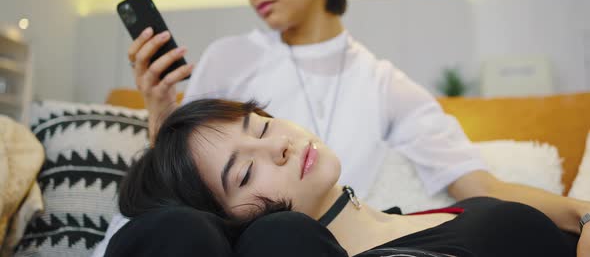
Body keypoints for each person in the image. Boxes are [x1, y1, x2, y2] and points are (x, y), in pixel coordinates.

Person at [95, 0, 590, 255]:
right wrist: (159, 114)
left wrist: (583, 215)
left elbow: (480, 187)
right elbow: (187, 182)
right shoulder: (231, 56)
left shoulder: (383, 83)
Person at [109, 99, 580, 257]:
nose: (280, 145)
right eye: (246, 171)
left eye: (264, 125)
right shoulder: (284, 243)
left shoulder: (458, 210)